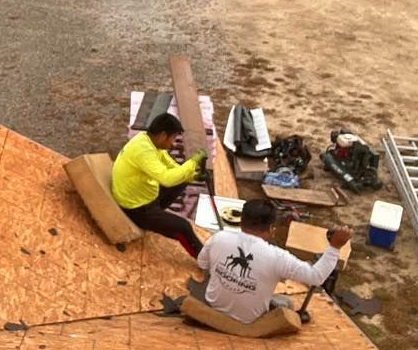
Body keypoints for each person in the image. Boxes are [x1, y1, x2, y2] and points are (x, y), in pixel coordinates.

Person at [197, 199, 352, 324]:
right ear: (271, 228)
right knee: (286, 304)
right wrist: (334, 247)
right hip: (247, 320)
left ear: (241, 221)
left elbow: (202, 263)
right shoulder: (278, 257)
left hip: (213, 304)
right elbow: (315, 277)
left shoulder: (219, 238)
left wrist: (228, 278)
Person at [111, 112, 205, 258]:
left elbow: (172, 166)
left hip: (143, 196)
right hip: (136, 209)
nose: (173, 143)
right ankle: (204, 259)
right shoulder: (143, 151)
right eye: (173, 138)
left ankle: (159, 217)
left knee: (181, 179)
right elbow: (167, 179)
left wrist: (191, 175)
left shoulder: (149, 141)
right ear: (163, 135)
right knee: (184, 227)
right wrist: (193, 162)